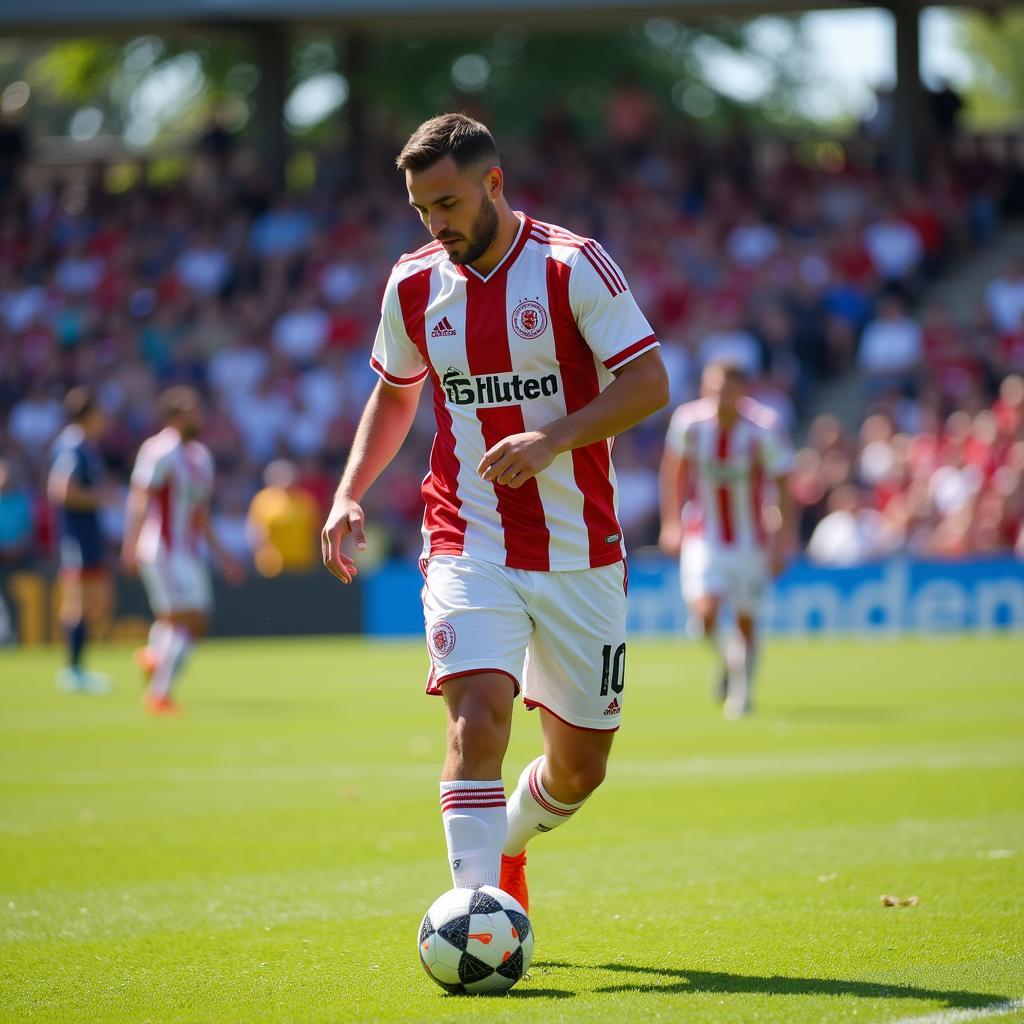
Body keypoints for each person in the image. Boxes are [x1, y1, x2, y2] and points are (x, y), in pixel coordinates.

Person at [320, 113, 668, 911]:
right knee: (476, 720)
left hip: (581, 548)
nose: (435, 224)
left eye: (446, 204)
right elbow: (395, 391)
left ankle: (508, 849)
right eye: (421, 210)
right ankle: (478, 917)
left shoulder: (571, 266)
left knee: (580, 767)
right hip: (467, 537)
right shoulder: (412, 284)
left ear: (493, 184)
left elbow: (650, 383)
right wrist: (349, 491)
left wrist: (552, 439)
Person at [658, 361, 794, 719]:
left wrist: (783, 540)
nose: (719, 397)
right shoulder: (689, 423)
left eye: (727, 390)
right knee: (703, 615)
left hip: (752, 539)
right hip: (705, 534)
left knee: (747, 620)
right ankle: (729, 661)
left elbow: (784, 484)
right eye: (713, 388)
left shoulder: (765, 428)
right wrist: (671, 522)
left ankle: (742, 695)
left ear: (742, 392)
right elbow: (673, 469)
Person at [121, 387, 243, 715]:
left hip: (188, 553)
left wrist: (223, 555)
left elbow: (200, 513)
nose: (199, 416)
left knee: (197, 622)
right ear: (174, 416)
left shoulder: (201, 457)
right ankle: (159, 693)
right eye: (192, 411)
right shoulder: (158, 451)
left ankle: (154, 656)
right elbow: (140, 497)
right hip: (161, 549)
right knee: (181, 620)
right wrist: (129, 544)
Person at [47, 388, 113, 694]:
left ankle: (78, 668)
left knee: (91, 604)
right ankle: (73, 671)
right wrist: (100, 497)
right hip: (76, 535)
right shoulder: (72, 446)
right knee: (78, 602)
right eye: (100, 415)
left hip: (88, 534)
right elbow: (60, 490)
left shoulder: (85, 446)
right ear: (89, 415)